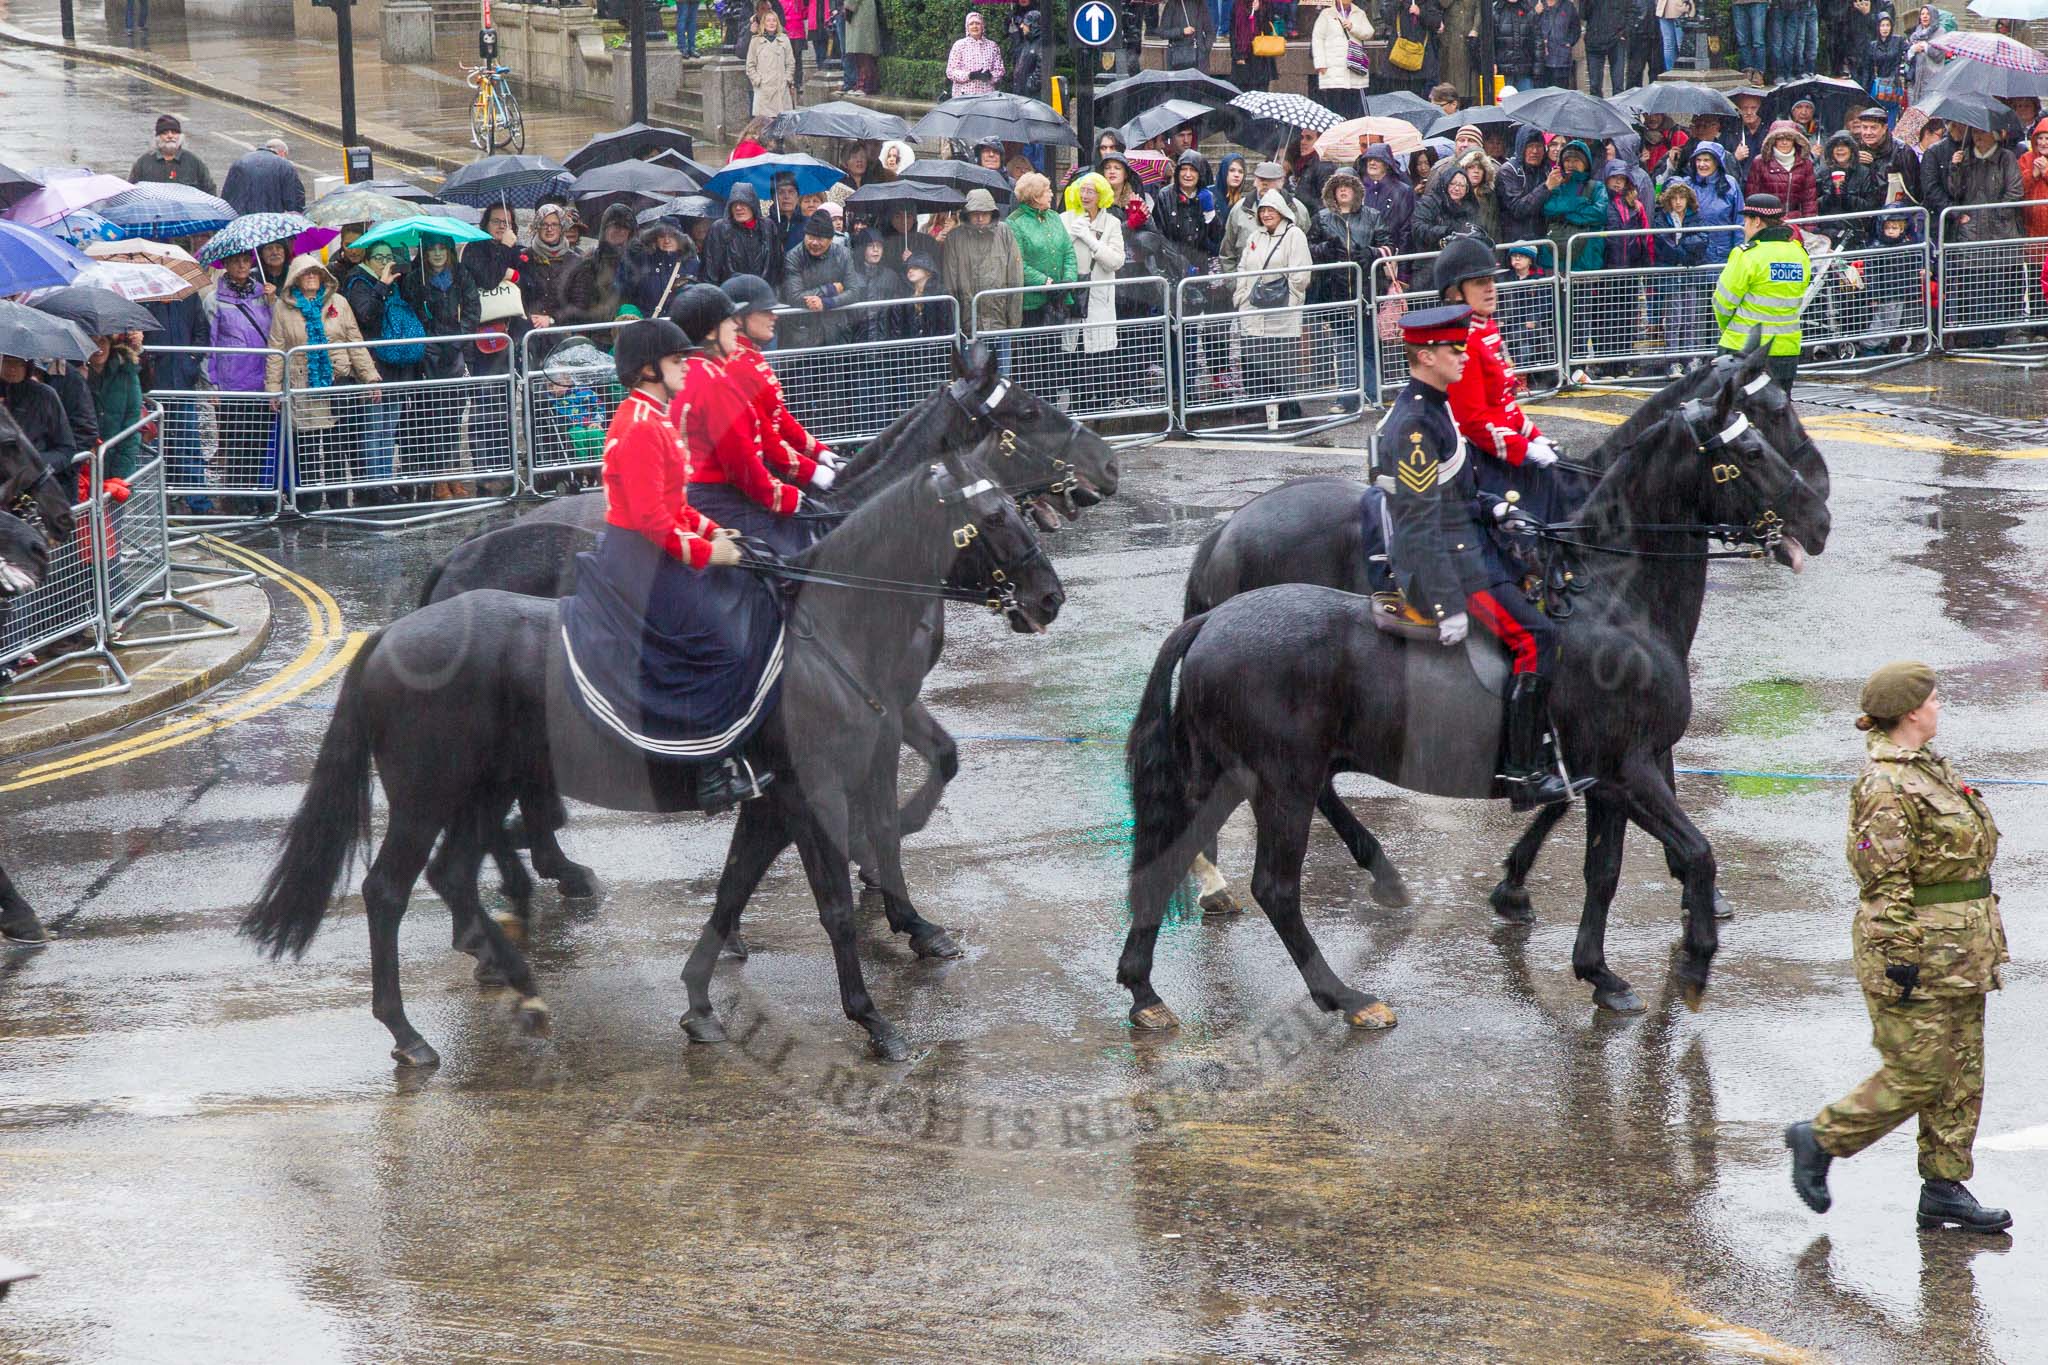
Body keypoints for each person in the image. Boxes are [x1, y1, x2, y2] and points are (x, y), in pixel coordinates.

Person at [1785, 662, 2012, 1234]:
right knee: (1918, 1070)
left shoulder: (1928, 767)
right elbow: (1880, 879)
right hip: (1915, 948)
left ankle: (1944, 1187)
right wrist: (1899, 954)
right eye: (1934, 700)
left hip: (1961, 947)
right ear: (1912, 711)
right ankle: (1821, 1138)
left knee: (1960, 1070)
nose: (1940, 707)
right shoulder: (1884, 783)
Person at [1373, 302, 1572, 808]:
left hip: (1466, 543)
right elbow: (1417, 523)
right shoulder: (1416, 423)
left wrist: (1495, 510)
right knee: (1536, 637)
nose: (1463, 356)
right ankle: (1524, 773)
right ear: (1424, 356)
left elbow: (1452, 493)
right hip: (1447, 566)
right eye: (1453, 349)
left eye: (1463, 346)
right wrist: (1446, 604)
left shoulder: (1436, 406)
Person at [1434, 235, 1564, 501]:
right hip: (1478, 457)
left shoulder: (1487, 329)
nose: (1491, 288)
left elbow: (1504, 403)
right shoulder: (1465, 342)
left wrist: (1535, 437)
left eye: (1491, 280)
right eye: (1480, 283)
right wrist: (1524, 449)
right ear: (1456, 293)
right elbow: (1473, 422)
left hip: (1502, 444)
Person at [714, 273, 844, 500]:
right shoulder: (736, 366)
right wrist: (810, 470)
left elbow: (778, 417)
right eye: (765, 311)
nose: (774, 316)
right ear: (739, 318)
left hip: (768, 464)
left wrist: (819, 452)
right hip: (746, 479)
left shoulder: (751, 355)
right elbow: (764, 435)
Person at [264, 256, 379, 507]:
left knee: (337, 445)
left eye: (316, 272)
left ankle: (339, 501)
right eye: (306, 274)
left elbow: (355, 342)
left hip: (337, 382)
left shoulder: (340, 302)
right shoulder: (283, 309)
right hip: (302, 386)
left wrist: (370, 377)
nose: (311, 277)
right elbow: (276, 350)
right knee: (305, 449)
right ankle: (309, 503)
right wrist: (273, 389)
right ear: (295, 278)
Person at [1232, 191, 1313, 425]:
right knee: (1255, 364)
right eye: (1263, 210)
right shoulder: (1255, 235)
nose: (1266, 214)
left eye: (1271, 209)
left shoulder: (1294, 235)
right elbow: (1243, 266)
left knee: (1280, 364)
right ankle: (1259, 412)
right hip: (1252, 311)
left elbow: (1301, 273)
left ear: (1281, 211)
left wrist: (1292, 298)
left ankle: (1286, 413)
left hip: (1282, 314)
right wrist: (1241, 295)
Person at [1713, 193, 1807, 388]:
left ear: (1756, 221)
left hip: (1742, 347)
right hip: (1786, 348)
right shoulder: (1799, 253)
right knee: (1778, 412)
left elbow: (1723, 303)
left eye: (1745, 220)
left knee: (1734, 411)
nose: (1744, 226)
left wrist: (1727, 329)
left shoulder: (1746, 255)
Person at [943, 188, 1025, 348]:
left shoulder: (1004, 232)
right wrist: (955, 325)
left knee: (1002, 373)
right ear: (967, 214)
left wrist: (1014, 324)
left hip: (1000, 321)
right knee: (972, 373)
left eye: (985, 213)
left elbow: (1016, 278)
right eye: (975, 213)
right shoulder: (954, 238)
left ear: (992, 213)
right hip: (968, 325)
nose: (980, 218)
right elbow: (950, 284)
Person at [1062, 172, 1128, 371]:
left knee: (1100, 366)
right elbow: (1057, 255)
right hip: (1072, 302)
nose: (1085, 195)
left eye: (1091, 191)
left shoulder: (1112, 223)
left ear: (1101, 195)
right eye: (1082, 190)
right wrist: (1073, 235)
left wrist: (1090, 239)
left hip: (1100, 303)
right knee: (1074, 365)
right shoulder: (1064, 219)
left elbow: (1116, 261)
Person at [1010, 172, 1081, 339]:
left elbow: (1069, 251)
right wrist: (1045, 282)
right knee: (1035, 356)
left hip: (1058, 300)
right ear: (1035, 196)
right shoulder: (1014, 222)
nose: (1051, 194)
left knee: (1055, 355)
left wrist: (1068, 280)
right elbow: (1017, 263)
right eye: (1047, 190)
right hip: (1032, 304)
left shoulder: (1054, 217)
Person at [779, 209, 855, 350]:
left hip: (837, 330)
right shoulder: (793, 257)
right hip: (804, 333)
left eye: (820, 239)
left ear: (831, 239)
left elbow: (854, 291)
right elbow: (794, 296)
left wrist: (828, 302)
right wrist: (829, 289)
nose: (814, 242)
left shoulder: (843, 254)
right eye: (810, 237)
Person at [1542, 140, 1609, 271]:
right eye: (1567, 160)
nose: (1571, 164)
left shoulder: (1596, 187)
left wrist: (1565, 213)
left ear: (1586, 163)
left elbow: (1599, 214)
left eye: (1576, 160)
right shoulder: (1556, 185)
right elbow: (1548, 208)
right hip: (1555, 254)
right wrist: (1579, 203)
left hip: (1586, 256)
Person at [700, 185, 779, 289]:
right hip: (730, 296)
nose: (738, 208)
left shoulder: (767, 227)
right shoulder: (719, 228)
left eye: (743, 203)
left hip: (763, 295)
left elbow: (776, 265)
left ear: (752, 204)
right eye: (734, 204)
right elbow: (710, 270)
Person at [0, 357, 72, 469]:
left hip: (31, 478)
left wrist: (33, 462)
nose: (12, 368)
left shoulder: (45, 396)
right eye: (7, 361)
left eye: (19, 364)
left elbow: (65, 450)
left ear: (29, 366)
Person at [1312, 0, 1374, 121]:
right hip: (1332, 66)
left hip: (1353, 64)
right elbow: (1317, 38)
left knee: (1353, 105)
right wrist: (1320, 63)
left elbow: (1369, 33)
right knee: (1334, 105)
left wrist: (1353, 27)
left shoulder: (1359, 13)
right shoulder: (1326, 14)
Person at [1685, 141, 1747, 263]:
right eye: (1698, 160)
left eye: (1706, 160)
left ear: (1717, 162)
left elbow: (1739, 222)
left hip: (1722, 255)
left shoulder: (1730, 185)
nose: (1701, 164)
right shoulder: (1686, 184)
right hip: (1692, 255)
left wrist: (1738, 254)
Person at [1411, 157, 1491, 251]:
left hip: (1462, 256)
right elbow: (1418, 229)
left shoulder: (1471, 206)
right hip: (1432, 258)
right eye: (1452, 184)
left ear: (1467, 189)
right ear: (1445, 184)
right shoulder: (1428, 203)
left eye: (1461, 185)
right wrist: (1447, 231)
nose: (1457, 188)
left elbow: (1480, 228)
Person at [1746, 121, 1818, 220]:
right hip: (1767, 221)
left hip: (1796, 221)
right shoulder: (1759, 162)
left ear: (1795, 140)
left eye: (1788, 138)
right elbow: (1752, 197)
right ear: (1773, 140)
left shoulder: (1806, 163)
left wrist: (1809, 227)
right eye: (1780, 138)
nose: (1784, 142)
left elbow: (1809, 200)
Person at [128, 114, 216, 194]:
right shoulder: (144, 162)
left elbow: (209, 189)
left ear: (180, 137)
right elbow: (131, 189)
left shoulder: (193, 162)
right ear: (157, 137)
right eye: (165, 133)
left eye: (174, 132)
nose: (170, 136)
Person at [220, 139, 304, 216]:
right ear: (282, 153)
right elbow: (294, 200)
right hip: (268, 220)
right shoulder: (285, 165)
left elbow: (228, 193)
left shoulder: (240, 161)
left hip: (241, 219)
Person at [746, 3, 798, 116]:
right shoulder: (755, 41)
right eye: (768, 21)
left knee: (782, 123)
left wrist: (787, 78)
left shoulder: (784, 39)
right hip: (764, 90)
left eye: (774, 20)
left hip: (781, 89)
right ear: (763, 23)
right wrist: (757, 80)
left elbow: (791, 62)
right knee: (765, 126)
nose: (771, 23)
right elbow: (750, 65)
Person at [946, 10, 1005, 96]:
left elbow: (1000, 70)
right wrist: (970, 75)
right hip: (964, 95)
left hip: (986, 95)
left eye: (977, 23)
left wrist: (991, 76)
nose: (974, 26)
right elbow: (951, 72)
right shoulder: (959, 45)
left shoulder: (993, 46)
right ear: (967, 27)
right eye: (971, 24)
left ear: (982, 26)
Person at [1582, 0, 1627, 95]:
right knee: (1595, 85)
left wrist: (1625, 32)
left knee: (1618, 85)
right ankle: (1596, 109)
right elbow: (1583, 14)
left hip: (1616, 39)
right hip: (1594, 40)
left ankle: (1618, 108)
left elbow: (1630, 10)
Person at [1534, 0, 1581, 88]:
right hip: (1541, 61)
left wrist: (1569, 42)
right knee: (1542, 95)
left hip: (1561, 60)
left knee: (1560, 94)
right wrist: (1535, 13)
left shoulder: (1568, 6)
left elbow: (1576, 28)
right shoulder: (1536, 4)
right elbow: (1528, 27)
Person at [1161, 0, 1218, 70]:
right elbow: (1162, 32)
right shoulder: (1172, 4)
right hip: (1177, 56)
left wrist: (1205, 49)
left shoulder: (1200, 4)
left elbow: (1210, 31)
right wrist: (1182, 31)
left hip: (1199, 58)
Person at [1494, 0, 1539, 88]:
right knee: (1504, 101)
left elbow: (1537, 42)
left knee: (1527, 101)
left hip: (1525, 71)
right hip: (1502, 72)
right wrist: (1492, 62)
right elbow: (1487, 43)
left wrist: (1537, 70)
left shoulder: (1528, 11)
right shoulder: (1495, 11)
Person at [841, 0, 881, 93]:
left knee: (863, 50)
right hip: (858, 11)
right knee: (859, 51)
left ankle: (866, 85)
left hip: (860, 12)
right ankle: (861, 84)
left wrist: (847, 7)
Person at [1730, 0, 1767, 76]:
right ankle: (1747, 70)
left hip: (1758, 2)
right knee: (1742, 42)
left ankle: (1759, 73)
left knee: (1758, 41)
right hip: (1737, 3)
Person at [1654, 0, 1690, 75]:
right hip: (1665, 8)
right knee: (1671, 45)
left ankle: (1677, 72)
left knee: (1678, 45)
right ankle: (1672, 72)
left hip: (1678, 9)